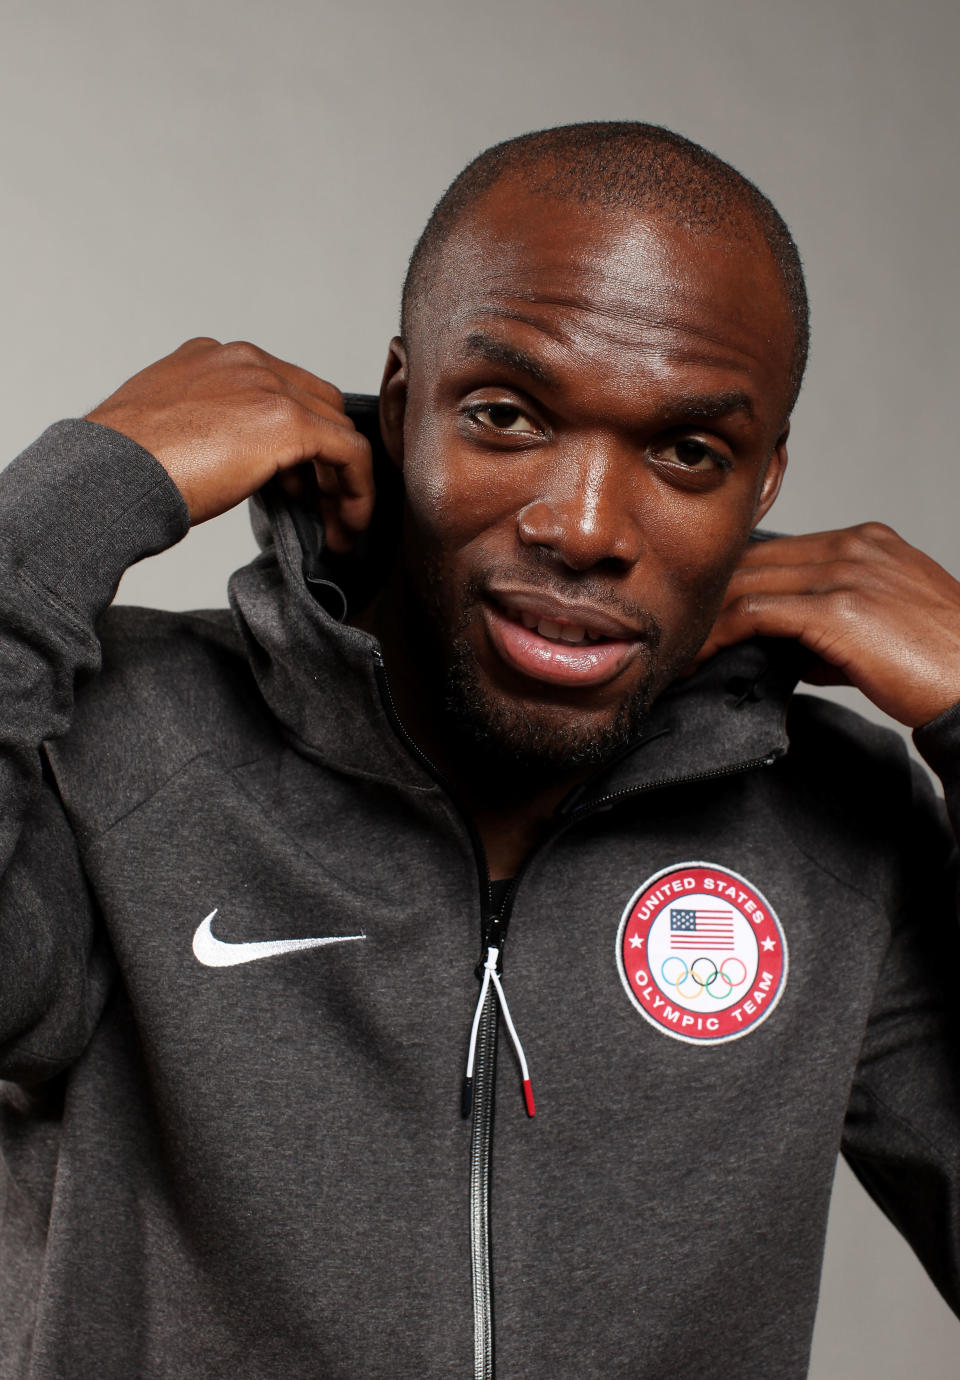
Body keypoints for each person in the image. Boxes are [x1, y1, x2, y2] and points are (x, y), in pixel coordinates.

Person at [1, 121, 958, 1380]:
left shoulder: (835, 830)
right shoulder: (120, 744)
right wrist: (61, 517)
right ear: (405, 409)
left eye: (686, 452)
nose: (584, 525)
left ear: (765, 482)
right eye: (507, 415)